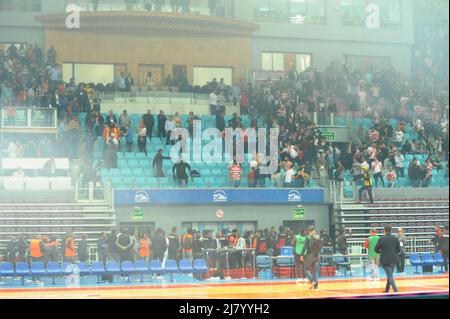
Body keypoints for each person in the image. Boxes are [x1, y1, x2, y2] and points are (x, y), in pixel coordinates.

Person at [375, 226, 401, 293]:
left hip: (385, 260)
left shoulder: (381, 238)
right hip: (393, 260)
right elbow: (399, 250)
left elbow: (376, 249)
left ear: (384, 231)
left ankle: (396, 290)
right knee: (390, 275)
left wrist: (381, 252)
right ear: (391, 230)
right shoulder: (395, 238)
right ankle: (387, 290)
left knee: (390, 276)